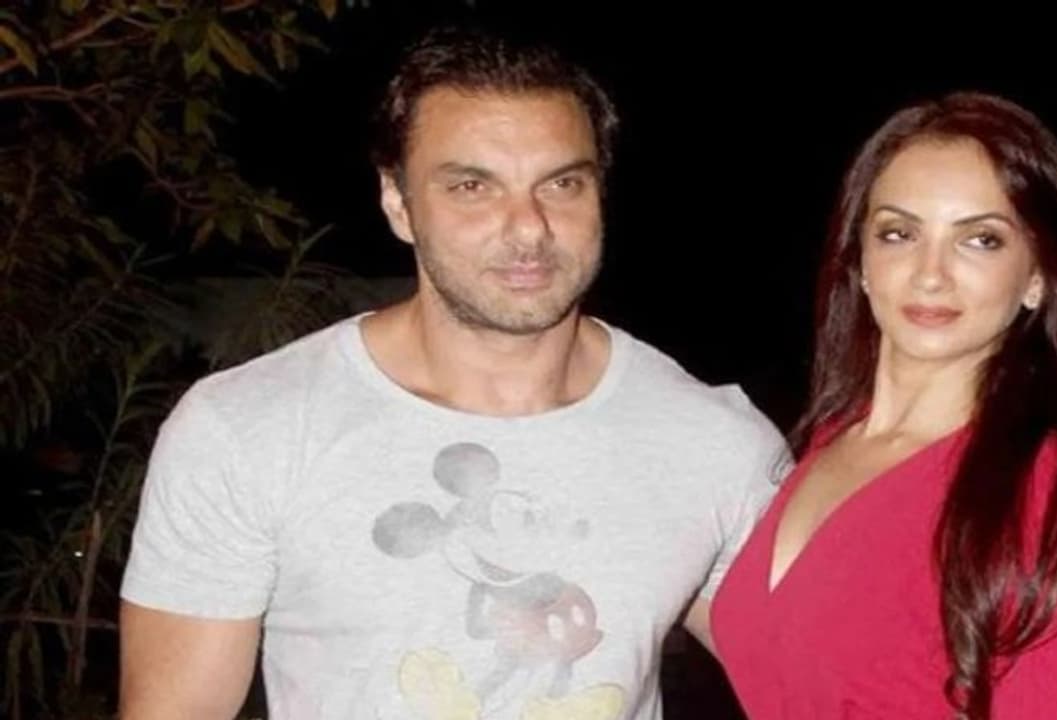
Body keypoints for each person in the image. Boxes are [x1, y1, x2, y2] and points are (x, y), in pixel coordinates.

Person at [119, 26, 786, 720]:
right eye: (472, 186)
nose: (528, 228)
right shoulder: (249, 429)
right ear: (398, 203)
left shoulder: (710, 443)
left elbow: (824, 682)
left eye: (562, 184)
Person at [711, 92, 1057, 719]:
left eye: (981, 240)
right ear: (859, 260)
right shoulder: (827, 439)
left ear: (1037, 277)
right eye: (899, 233)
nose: (930, 273)